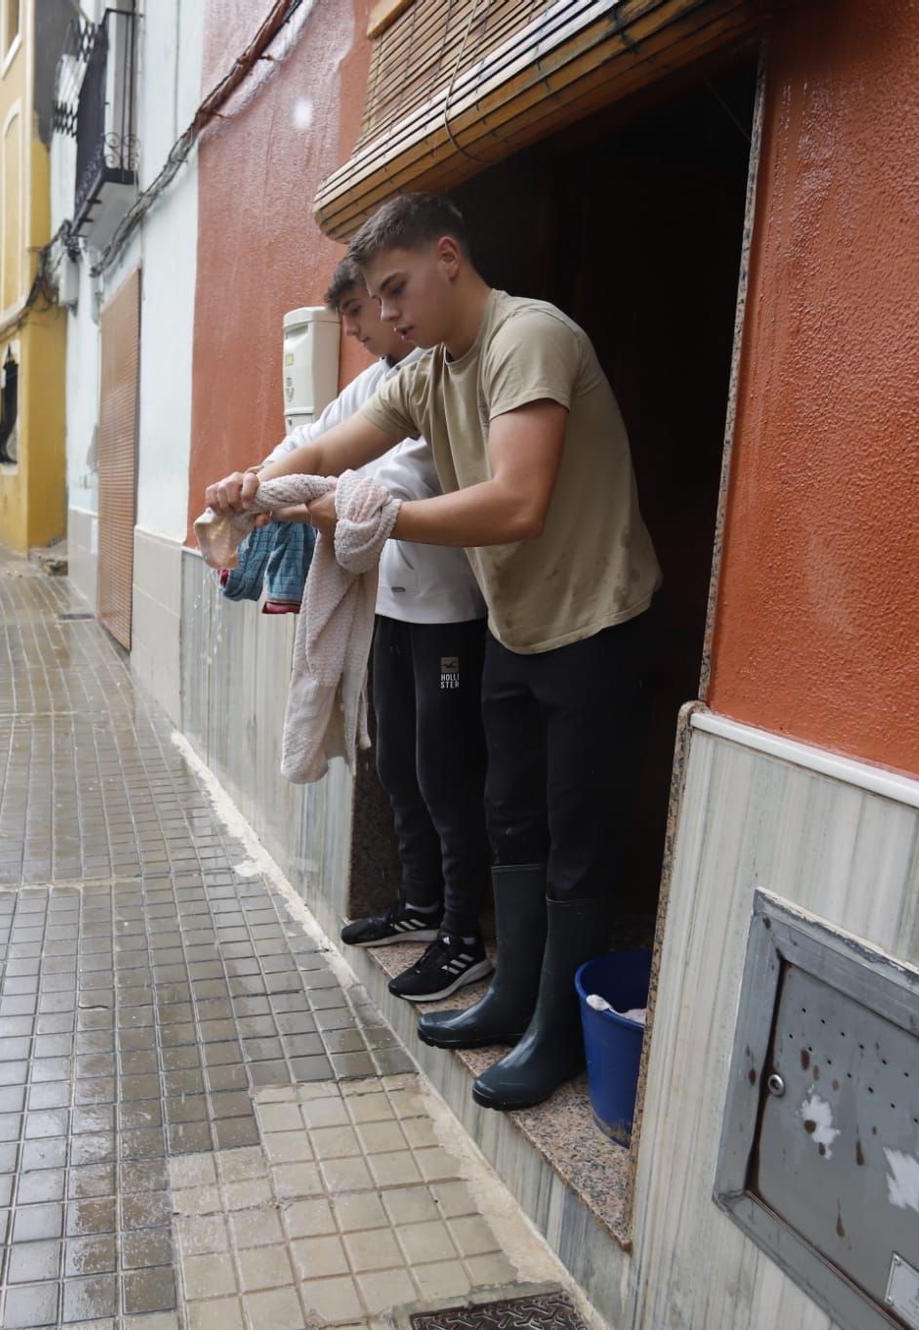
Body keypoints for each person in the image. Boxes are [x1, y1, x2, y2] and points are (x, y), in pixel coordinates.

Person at [205, 194, 660, 1111]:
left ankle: (557, 1036)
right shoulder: (425, 374)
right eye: (376, 298)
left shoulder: (526, 339)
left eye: (397, 288)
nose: (387, 315)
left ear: (449, 256)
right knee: (509, 818)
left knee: (575, 843)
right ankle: (514, 1000)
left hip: (595, 626)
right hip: (516, 626)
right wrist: (254, 489)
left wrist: (378, 515)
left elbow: (517, 500)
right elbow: (332, 448)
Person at [265, 259, 494, 1004]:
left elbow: (395, 486)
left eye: (371, 309)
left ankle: (464, 936)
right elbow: (321, 437)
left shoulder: (445, 379)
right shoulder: (379, 384)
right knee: (395, 758)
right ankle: (421, 904)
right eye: (364, 314)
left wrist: (316, 497)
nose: (366, 329)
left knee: (445, 773)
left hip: (449, 609)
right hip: (391, 604)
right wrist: (258, 484)